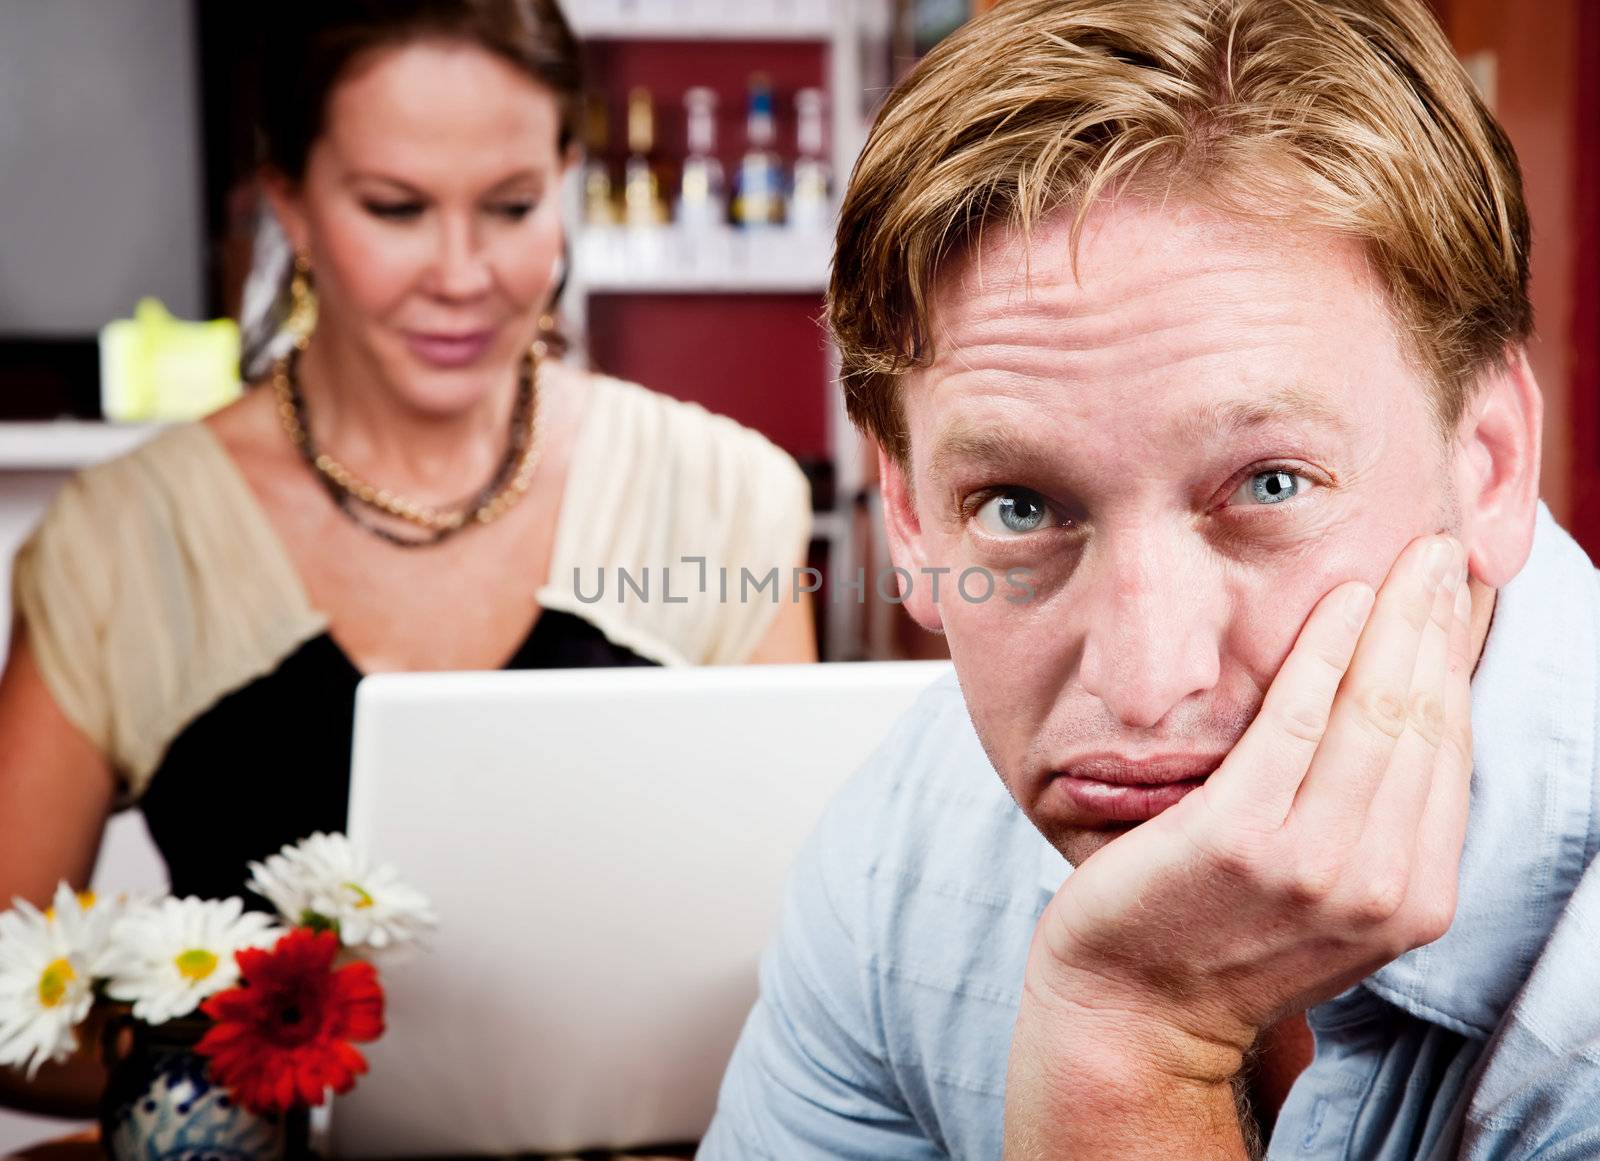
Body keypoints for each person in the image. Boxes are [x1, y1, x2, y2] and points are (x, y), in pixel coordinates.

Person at [701, 0, 1600, 1157]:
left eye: (1268, 486)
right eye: (1019, 508)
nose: (1140, 688)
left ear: (1487, 468)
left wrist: (1131, 1046)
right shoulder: (909, 838)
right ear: (913, 523)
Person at [0, 0, 812, 1114]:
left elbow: (795, 953)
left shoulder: (722, 497)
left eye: (514, 206)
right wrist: (225, 1072)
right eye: (396, 209)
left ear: (568, 174)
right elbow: (5, 1007)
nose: (462, 273)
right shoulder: (121, 546)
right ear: (286, 195)